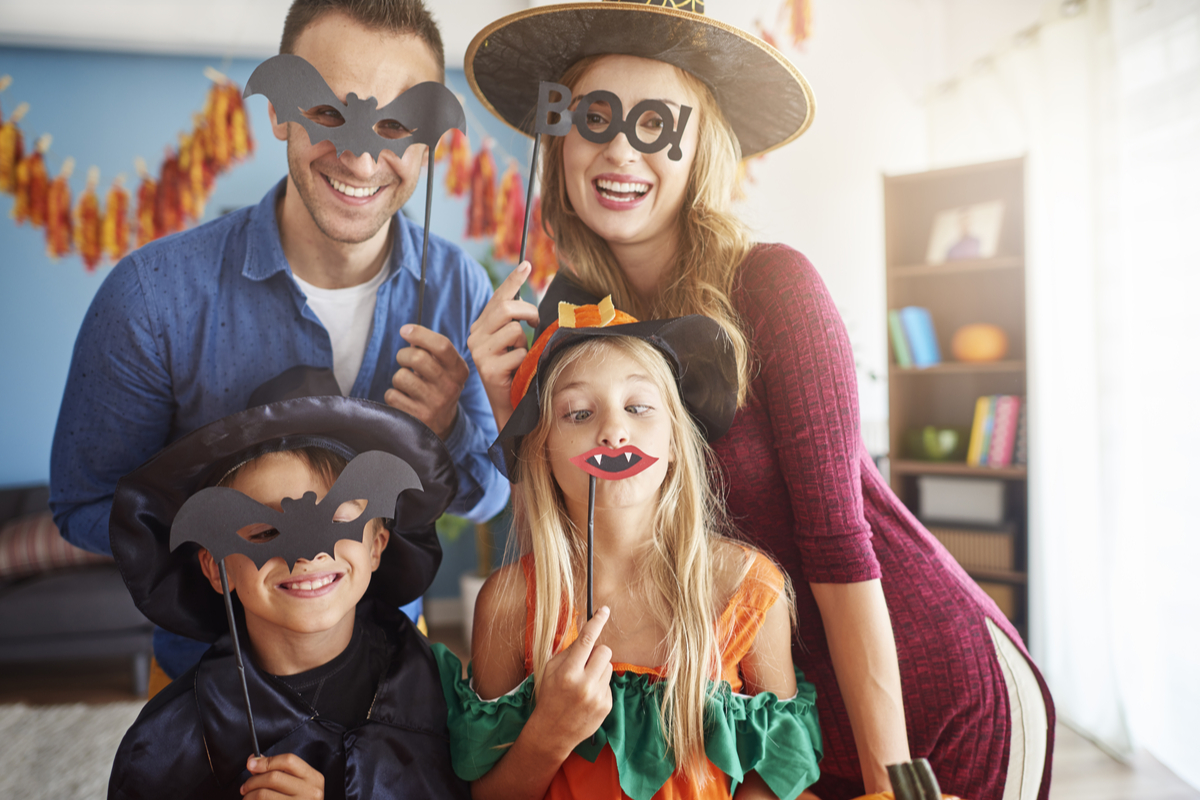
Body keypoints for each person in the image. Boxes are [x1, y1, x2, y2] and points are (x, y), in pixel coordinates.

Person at [463, 3, 1053, 799]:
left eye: (656, 124)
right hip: (766, 723)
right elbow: (580, 526)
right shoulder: (572, 323)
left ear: (699, 141)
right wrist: (512, 410)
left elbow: (840, 544)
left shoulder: (772, 286)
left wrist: (893, 781)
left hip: (919, 698)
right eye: (594, 119)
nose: (619, 149)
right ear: (559, 138)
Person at [49, 0, 508, 685]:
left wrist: (443, 433)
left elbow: (489, 495)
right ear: (279, 111)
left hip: (393, 685)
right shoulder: (151, 297)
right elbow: (83, 506)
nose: (358, 154)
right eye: (329, 114)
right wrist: (234, 521)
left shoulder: (458, 289)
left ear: (428, 139)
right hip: (212, 683)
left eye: (392, 123)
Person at [438, 303, 822, 800]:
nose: (613, 432)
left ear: (677, 440)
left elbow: (773, 779)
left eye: (638, 406)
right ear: (542, 450)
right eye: (579, 412)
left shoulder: (747, 591)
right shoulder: (510, 605)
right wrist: (549, 732)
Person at [107, 367, 470, 800]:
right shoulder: (166, 748)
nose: (308, 556)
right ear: (215, 567)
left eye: (338, 521)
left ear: (376, 545)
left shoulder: (442, 698)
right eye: (264, 533)